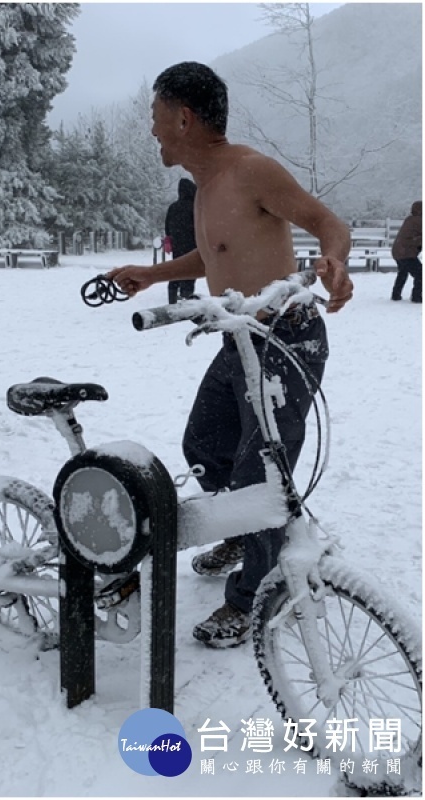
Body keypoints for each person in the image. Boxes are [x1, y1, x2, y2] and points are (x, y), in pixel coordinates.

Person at [106, 62, 353, 648]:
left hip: (287, 336)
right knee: (204, 444)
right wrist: (152, 273)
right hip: (238, 337)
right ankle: (245, 533)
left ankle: (254, 594)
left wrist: (335, 262)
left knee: (259, 471)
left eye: (156, 118)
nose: (152, 131)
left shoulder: (250, 171)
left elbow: (327, 221)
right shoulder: (205, 185)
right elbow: (212, 255)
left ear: (184, 118)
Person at [165, 178, 198, 303]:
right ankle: (187, 294)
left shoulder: (173, 207)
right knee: (190, 269)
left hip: (177, 243)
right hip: (192, 244)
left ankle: (172, 295)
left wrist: (171, 238)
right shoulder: (195, 207)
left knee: (176, 269)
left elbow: (167, 226)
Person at [390, 201, 422, 303]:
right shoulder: (419, 220)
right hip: (406, 253)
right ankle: (417, 297)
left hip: (398, 251)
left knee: (403, 272)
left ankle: (396, 294)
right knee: (421, 274)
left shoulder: (410, 219)